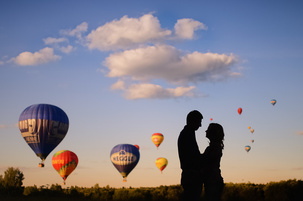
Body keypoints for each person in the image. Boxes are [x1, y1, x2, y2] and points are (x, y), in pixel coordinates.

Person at [178, 110, 204, 201]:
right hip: (192, 176)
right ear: (193, 121)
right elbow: (194, 156)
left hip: (189, 175)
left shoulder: (187, 133)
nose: (200, 125)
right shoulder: (187, 134)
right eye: (199, 122)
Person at [202, 123, 225, 201]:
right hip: (213, 181)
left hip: (213, 181)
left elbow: (206, 162)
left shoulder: (214, 148)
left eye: (208, 129)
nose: (206, 131)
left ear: (213, 133)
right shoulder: (215, 147)